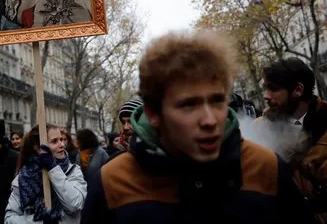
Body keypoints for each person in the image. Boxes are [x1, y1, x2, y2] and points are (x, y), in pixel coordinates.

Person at [80, 30, 315, 224]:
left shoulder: (266, 167)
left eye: (216, 100)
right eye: (189, 105)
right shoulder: (114, 182)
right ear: (153, 113)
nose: (210, 120)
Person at [251, 57, 327, 220]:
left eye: (273, 88)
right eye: (265, 88)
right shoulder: (258, 128)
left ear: (298, 90)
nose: (265, 96)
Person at [5, 124, 87, 224]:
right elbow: (9, 219)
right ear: (38, 148)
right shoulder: (23, 178)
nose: (62, 145)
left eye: (61, 139)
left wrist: (53, 169)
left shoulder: (73, 171)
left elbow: (75, 205)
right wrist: (38, 221)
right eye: (54, 141)